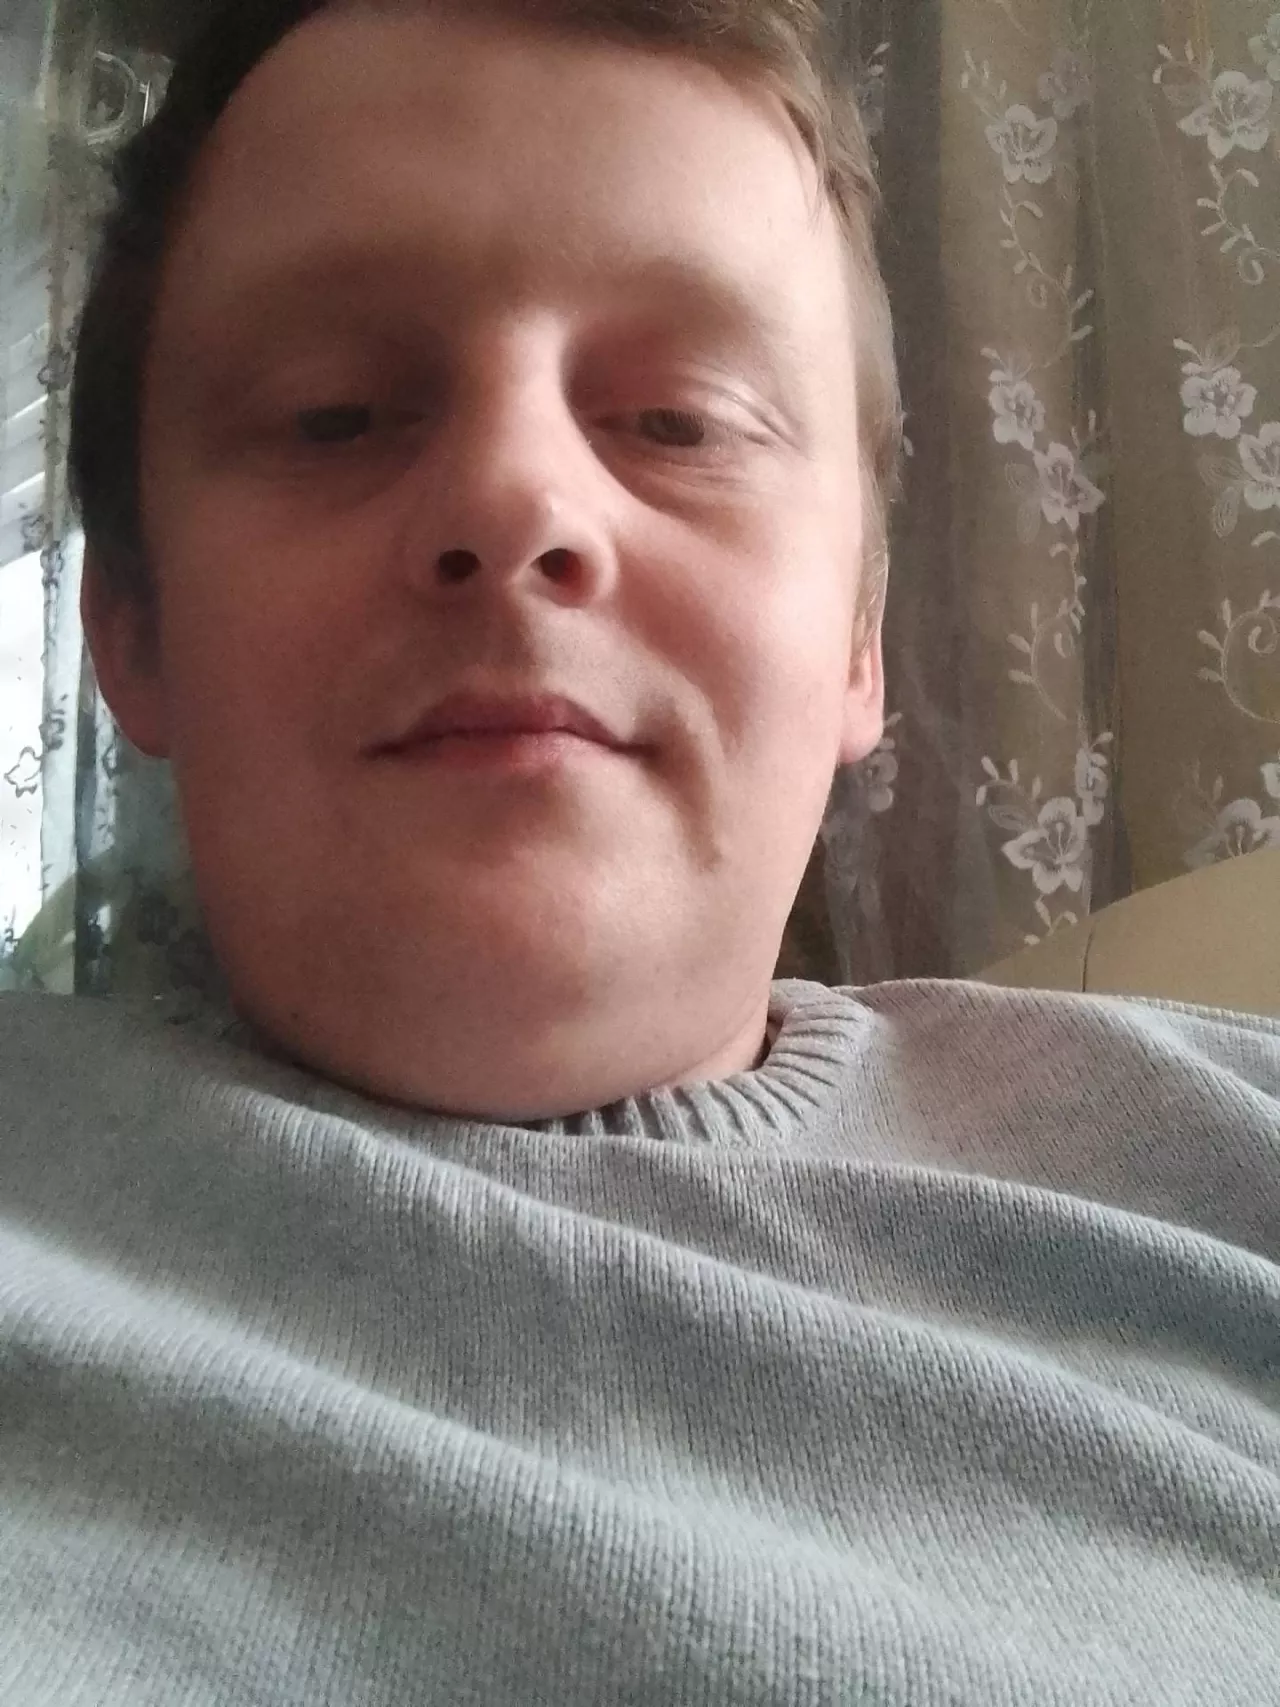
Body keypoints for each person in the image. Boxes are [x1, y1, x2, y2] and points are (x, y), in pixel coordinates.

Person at [1, 0, 1276, 1700]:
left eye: (680, 419)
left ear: (858, 644)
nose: (517, 501)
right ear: (131, 628)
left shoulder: (1232, 1147)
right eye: (334, 414)